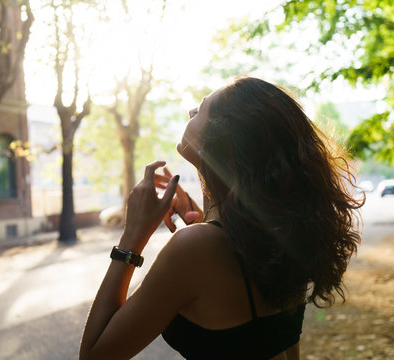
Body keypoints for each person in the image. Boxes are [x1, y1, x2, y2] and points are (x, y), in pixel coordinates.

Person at [80, 77, 362, 360]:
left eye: (200, 109)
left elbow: (94, 355)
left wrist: (135, 234)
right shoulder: (284, 233)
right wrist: (203, 221)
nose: (190, 113)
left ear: (219, 141)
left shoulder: (194, 248)